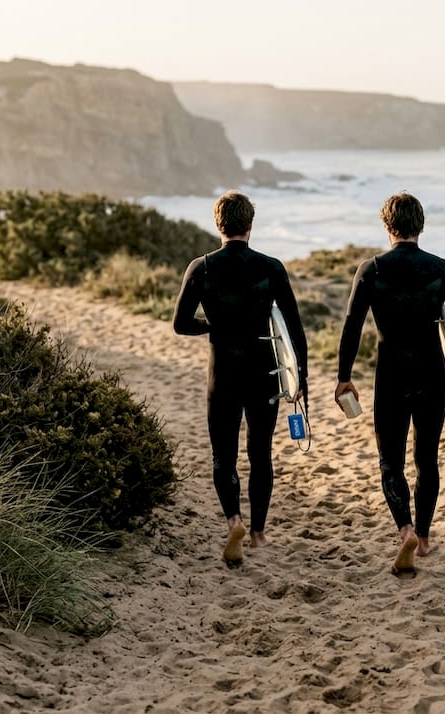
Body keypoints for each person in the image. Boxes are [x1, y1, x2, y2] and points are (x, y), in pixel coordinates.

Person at [335, 192, 445, 576]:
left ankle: (406, 530)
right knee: (426, 460)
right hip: (432, 375)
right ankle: (426, 537)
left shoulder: (372, 269)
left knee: (390, 462)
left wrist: (344, 377)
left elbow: (351, 326)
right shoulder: (443, 270)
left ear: (387, 225)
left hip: (391, 376)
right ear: (421, 225)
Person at [173, 190, 309, 565]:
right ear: (250, 225)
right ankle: (258, 533)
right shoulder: (271, 267)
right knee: (261, 453)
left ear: (219, 225)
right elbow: (295, 331)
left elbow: (180, 324)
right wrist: (301, 384)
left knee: (224, 455)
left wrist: (212, 324)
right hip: (263, 373)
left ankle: (233, 519)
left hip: (223, 373)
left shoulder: (201, 267)